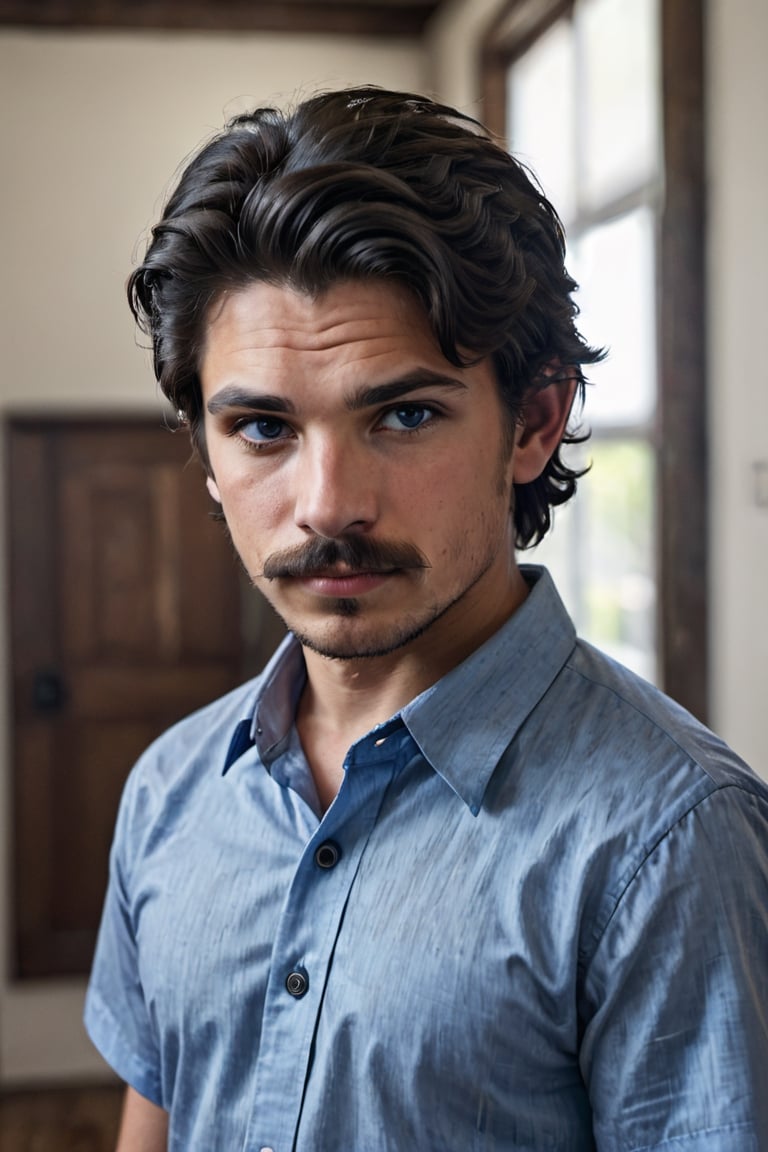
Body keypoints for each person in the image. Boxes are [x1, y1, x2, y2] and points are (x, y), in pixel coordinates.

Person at [85, 87, 768, 1152]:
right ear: (207, 453)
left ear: (535, 422)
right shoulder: (171, 791)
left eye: (403, 414)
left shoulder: (672, 841)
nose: (327, 504)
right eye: (262, 427)